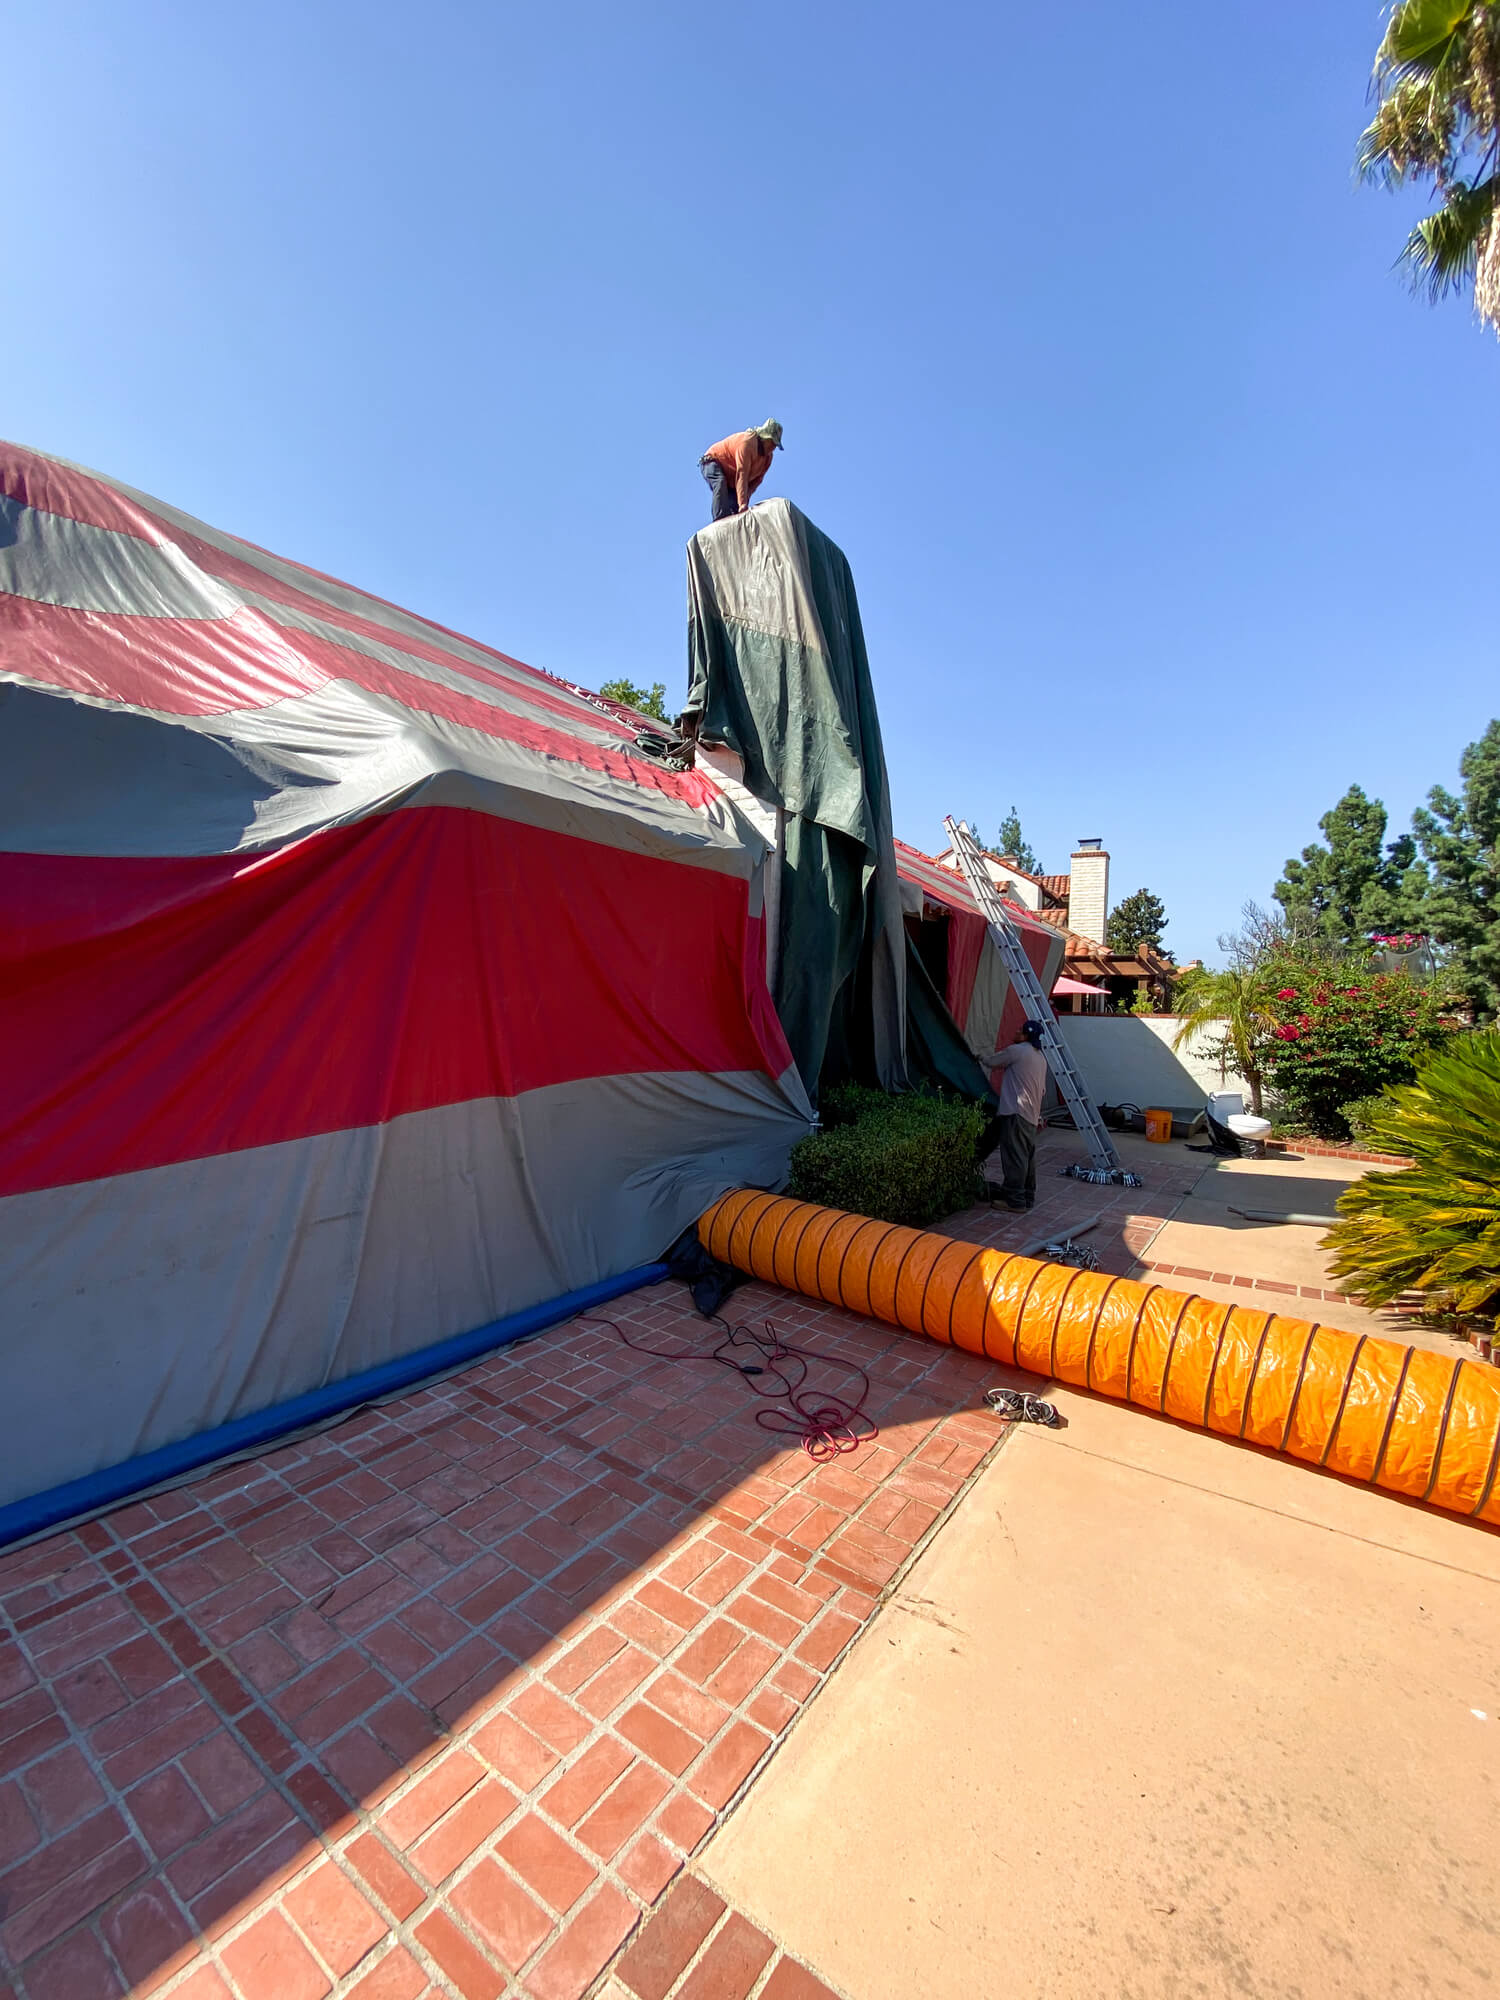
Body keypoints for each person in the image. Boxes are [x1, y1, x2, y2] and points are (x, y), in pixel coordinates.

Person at [979, 1020, 1049, 1211]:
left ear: (1026, 1035)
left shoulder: (1017, 1051)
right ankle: (1027, 1196)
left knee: (1014, 1157)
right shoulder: (1040, 1057)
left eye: (1020, 1030)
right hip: (1031, 1115)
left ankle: (1015, 1201)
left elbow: (993, 1062)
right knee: (1026, 1156)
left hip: (1015, 1113)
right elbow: (1042, 1090)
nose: (1016, 1031)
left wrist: (979, 1057)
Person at [698, 420, 784, 522]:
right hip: (713, 462)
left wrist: (743, 503)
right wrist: (742, 503)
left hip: (732, 478)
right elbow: (742, 475)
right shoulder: (747, 443)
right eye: (772, 443)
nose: (773, 447)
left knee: (734, 508)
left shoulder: (767, 459)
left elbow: (754, 483)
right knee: (720, 482)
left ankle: (730, 526)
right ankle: (719, 521)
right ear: (765, 437)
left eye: (775, 445)